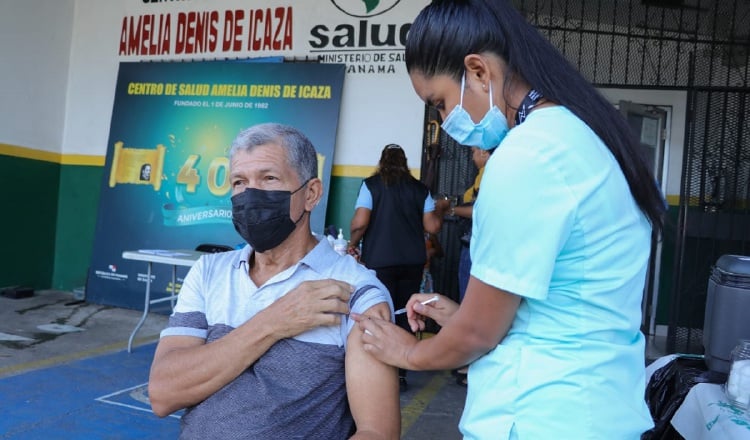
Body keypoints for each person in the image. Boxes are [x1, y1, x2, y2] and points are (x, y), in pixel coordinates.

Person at [352, 1, 667, 438]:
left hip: (542, 413)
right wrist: (463, 315)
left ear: (478, 72)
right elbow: (561, 303)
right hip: (595, 406)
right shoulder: (582, 137)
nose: (444, 123)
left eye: (440, 103)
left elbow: (478, 335)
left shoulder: (527, 157)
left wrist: (409, 353)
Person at [148, 123, 400, 439]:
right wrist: (274, 322)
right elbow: (162, 393)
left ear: (311, 194)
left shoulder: (355, 292)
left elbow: (378, 432)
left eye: (269, 178)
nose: (251, 194)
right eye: (239, 182)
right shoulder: (209, 272)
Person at [348, 143, 448, 391]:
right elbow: (433, 227)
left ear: (382, 162)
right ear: (404, 163)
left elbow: (360, 222)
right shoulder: (419, 189)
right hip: (412, 262)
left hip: (380, 262)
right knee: (406, 314)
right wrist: (442, 211)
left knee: (380, 312)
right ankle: (401, 373)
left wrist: (352, 242)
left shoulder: (370, 185)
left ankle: (380, 372)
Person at [453, 146, 494, 301]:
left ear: (484, 152)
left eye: (473, 152)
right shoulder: (486, 174)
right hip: (483, 243)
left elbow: (479, 210)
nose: (472, 158)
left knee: (468, 296)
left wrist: (451, 210)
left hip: (475, 244)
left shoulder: (488, 173)